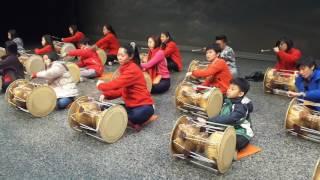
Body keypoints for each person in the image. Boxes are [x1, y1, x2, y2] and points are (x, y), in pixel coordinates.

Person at [97, 44, 155, 129]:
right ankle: (127, 120)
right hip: (131, 106)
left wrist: (100, 86)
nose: (119, 57)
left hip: (144, 106)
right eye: (118, 55)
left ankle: (128, 120)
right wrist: (106, 95)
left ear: (130, 56)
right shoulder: (124, 68)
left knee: (133, 116)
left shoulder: (132, 69)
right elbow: (122, 90)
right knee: (108, 108)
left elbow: (116, 84)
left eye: (122, 55)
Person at [208, 78, 253, 151]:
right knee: (209, 131)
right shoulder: (228, 99)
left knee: (238, 142)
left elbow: (231, 117)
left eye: (232, 89)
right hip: (227, 126)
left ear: (240, 94)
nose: (228, 90)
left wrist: (213, 120)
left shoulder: (241, 106)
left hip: (240, 129)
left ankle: (229, 147)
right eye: (229, 87)